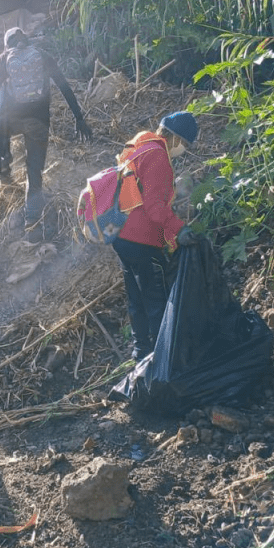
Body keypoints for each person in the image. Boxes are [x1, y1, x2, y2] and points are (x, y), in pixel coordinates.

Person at [112, 111, 200, 361]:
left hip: (121, 236)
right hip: (142, 240)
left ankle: (141, 352)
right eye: (184, 143)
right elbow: (154, 207)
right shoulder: (158, 157)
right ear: (174, 137)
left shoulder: (139, 146)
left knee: (136, 297)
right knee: (155, 299)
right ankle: (163, 359)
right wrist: (179, 229)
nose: (183, 149)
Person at [0, 27, 94, 226]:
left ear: (7, 44)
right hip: (38, 122)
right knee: (34, 169)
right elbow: (64, 86)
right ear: (27, 41)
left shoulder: (3, 59)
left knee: (1, 124)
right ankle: (32, 218)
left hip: (12, 123)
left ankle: (4, 163)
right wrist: (79, 118)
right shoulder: (42, 56)